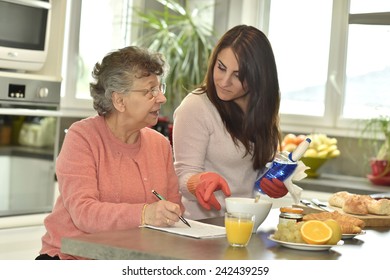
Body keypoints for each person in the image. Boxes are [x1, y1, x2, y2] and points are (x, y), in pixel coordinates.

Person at [36, 46, 184, 260]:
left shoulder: (160, 144)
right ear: (119, 100)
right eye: (150, 91)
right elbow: (84, 213)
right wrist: (145, 214)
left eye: (160, 88)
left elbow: (174, 208)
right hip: (71, 258)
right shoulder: (82, 137)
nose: (161, 98)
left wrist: (169, 213)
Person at [173, 25, 288, 220]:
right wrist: (198, 182)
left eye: (238, 75)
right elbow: (183, 176)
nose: (224, 81)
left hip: (244, 224)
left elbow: (251, 174)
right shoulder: (196, 106)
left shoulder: (261, 110)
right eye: (221, 67)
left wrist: (276, 183)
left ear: (258, 78)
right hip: (202, 228)